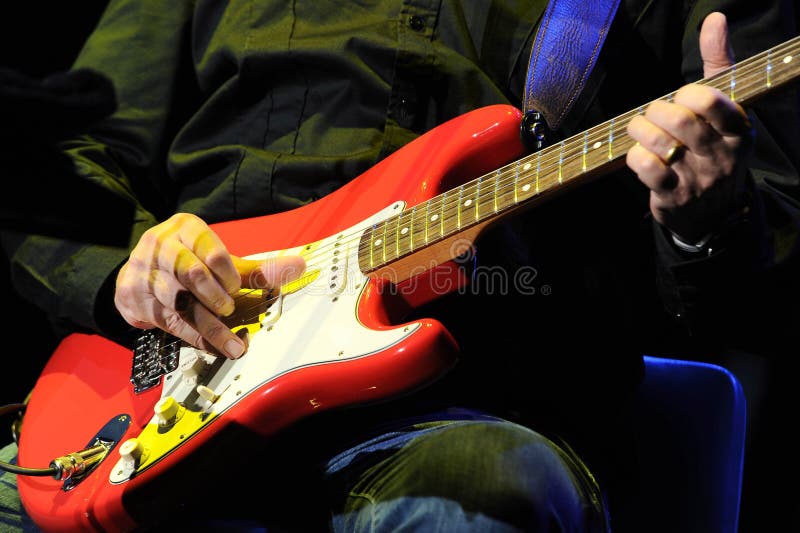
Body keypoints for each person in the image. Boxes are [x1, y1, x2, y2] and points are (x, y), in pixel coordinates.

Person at [1, 0, 798, 531]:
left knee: (480, 496)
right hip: (160, 394)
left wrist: (710, 217)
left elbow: (765, 289)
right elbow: (61, 163)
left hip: (466, 407)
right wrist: (127, 274)